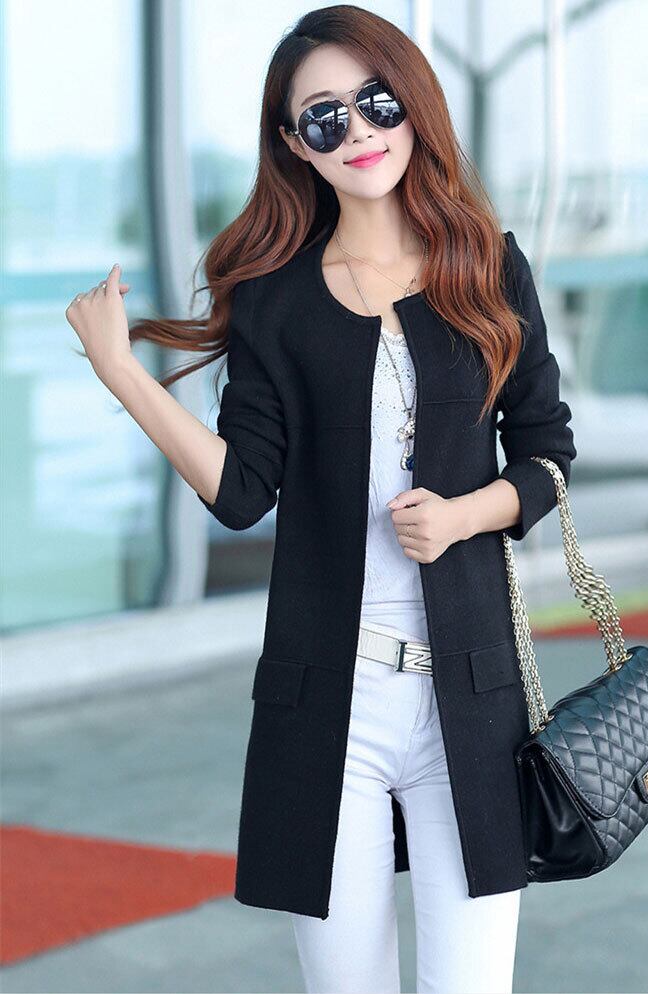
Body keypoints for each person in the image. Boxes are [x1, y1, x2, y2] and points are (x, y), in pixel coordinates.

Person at [65, 7, 576, 993]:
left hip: (470, 701)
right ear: (295, 144)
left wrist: (465, 514)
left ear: (413, 105)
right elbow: (240, 492)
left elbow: (547, 454)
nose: (359, 131)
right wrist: (123, 374)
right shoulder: (276, 298)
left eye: (377, 102)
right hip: (330, 708)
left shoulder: (488, 265)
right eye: (325, 117)